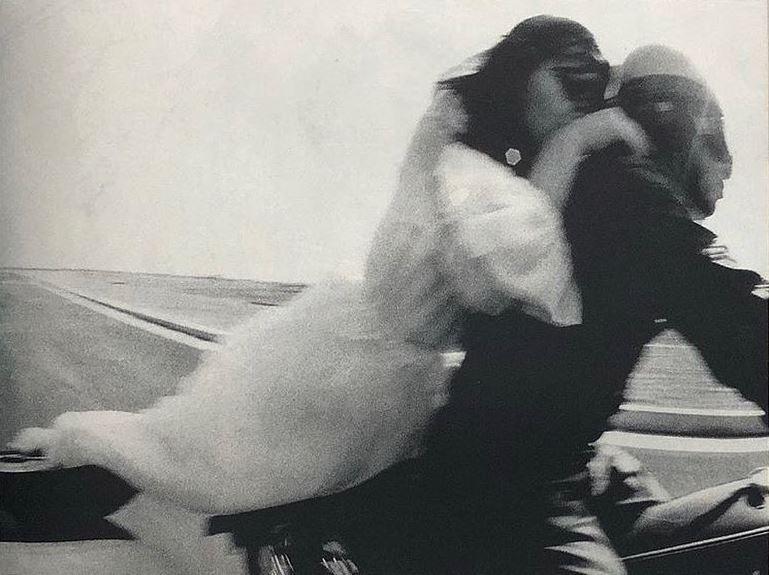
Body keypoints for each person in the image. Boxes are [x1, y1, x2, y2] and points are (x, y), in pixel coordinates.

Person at [8, 15, 646, 516]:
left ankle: (81, 463)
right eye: (564, 79)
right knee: (211, 470)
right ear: (524, 73)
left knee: (209, 462)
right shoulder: (466, 161)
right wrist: (576, 141)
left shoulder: (493, 162)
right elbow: (495, 282)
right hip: (353, 367)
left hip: (392, 371)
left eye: (586, 87)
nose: (575, 99)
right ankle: (67, 452)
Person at [422, 45, 768, 574]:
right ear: (678, 121)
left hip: (577, 465)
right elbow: (733, 314)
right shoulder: (626, 194)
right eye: (714, 131)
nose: (729, 165)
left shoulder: (611, 184)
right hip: (503, 483)